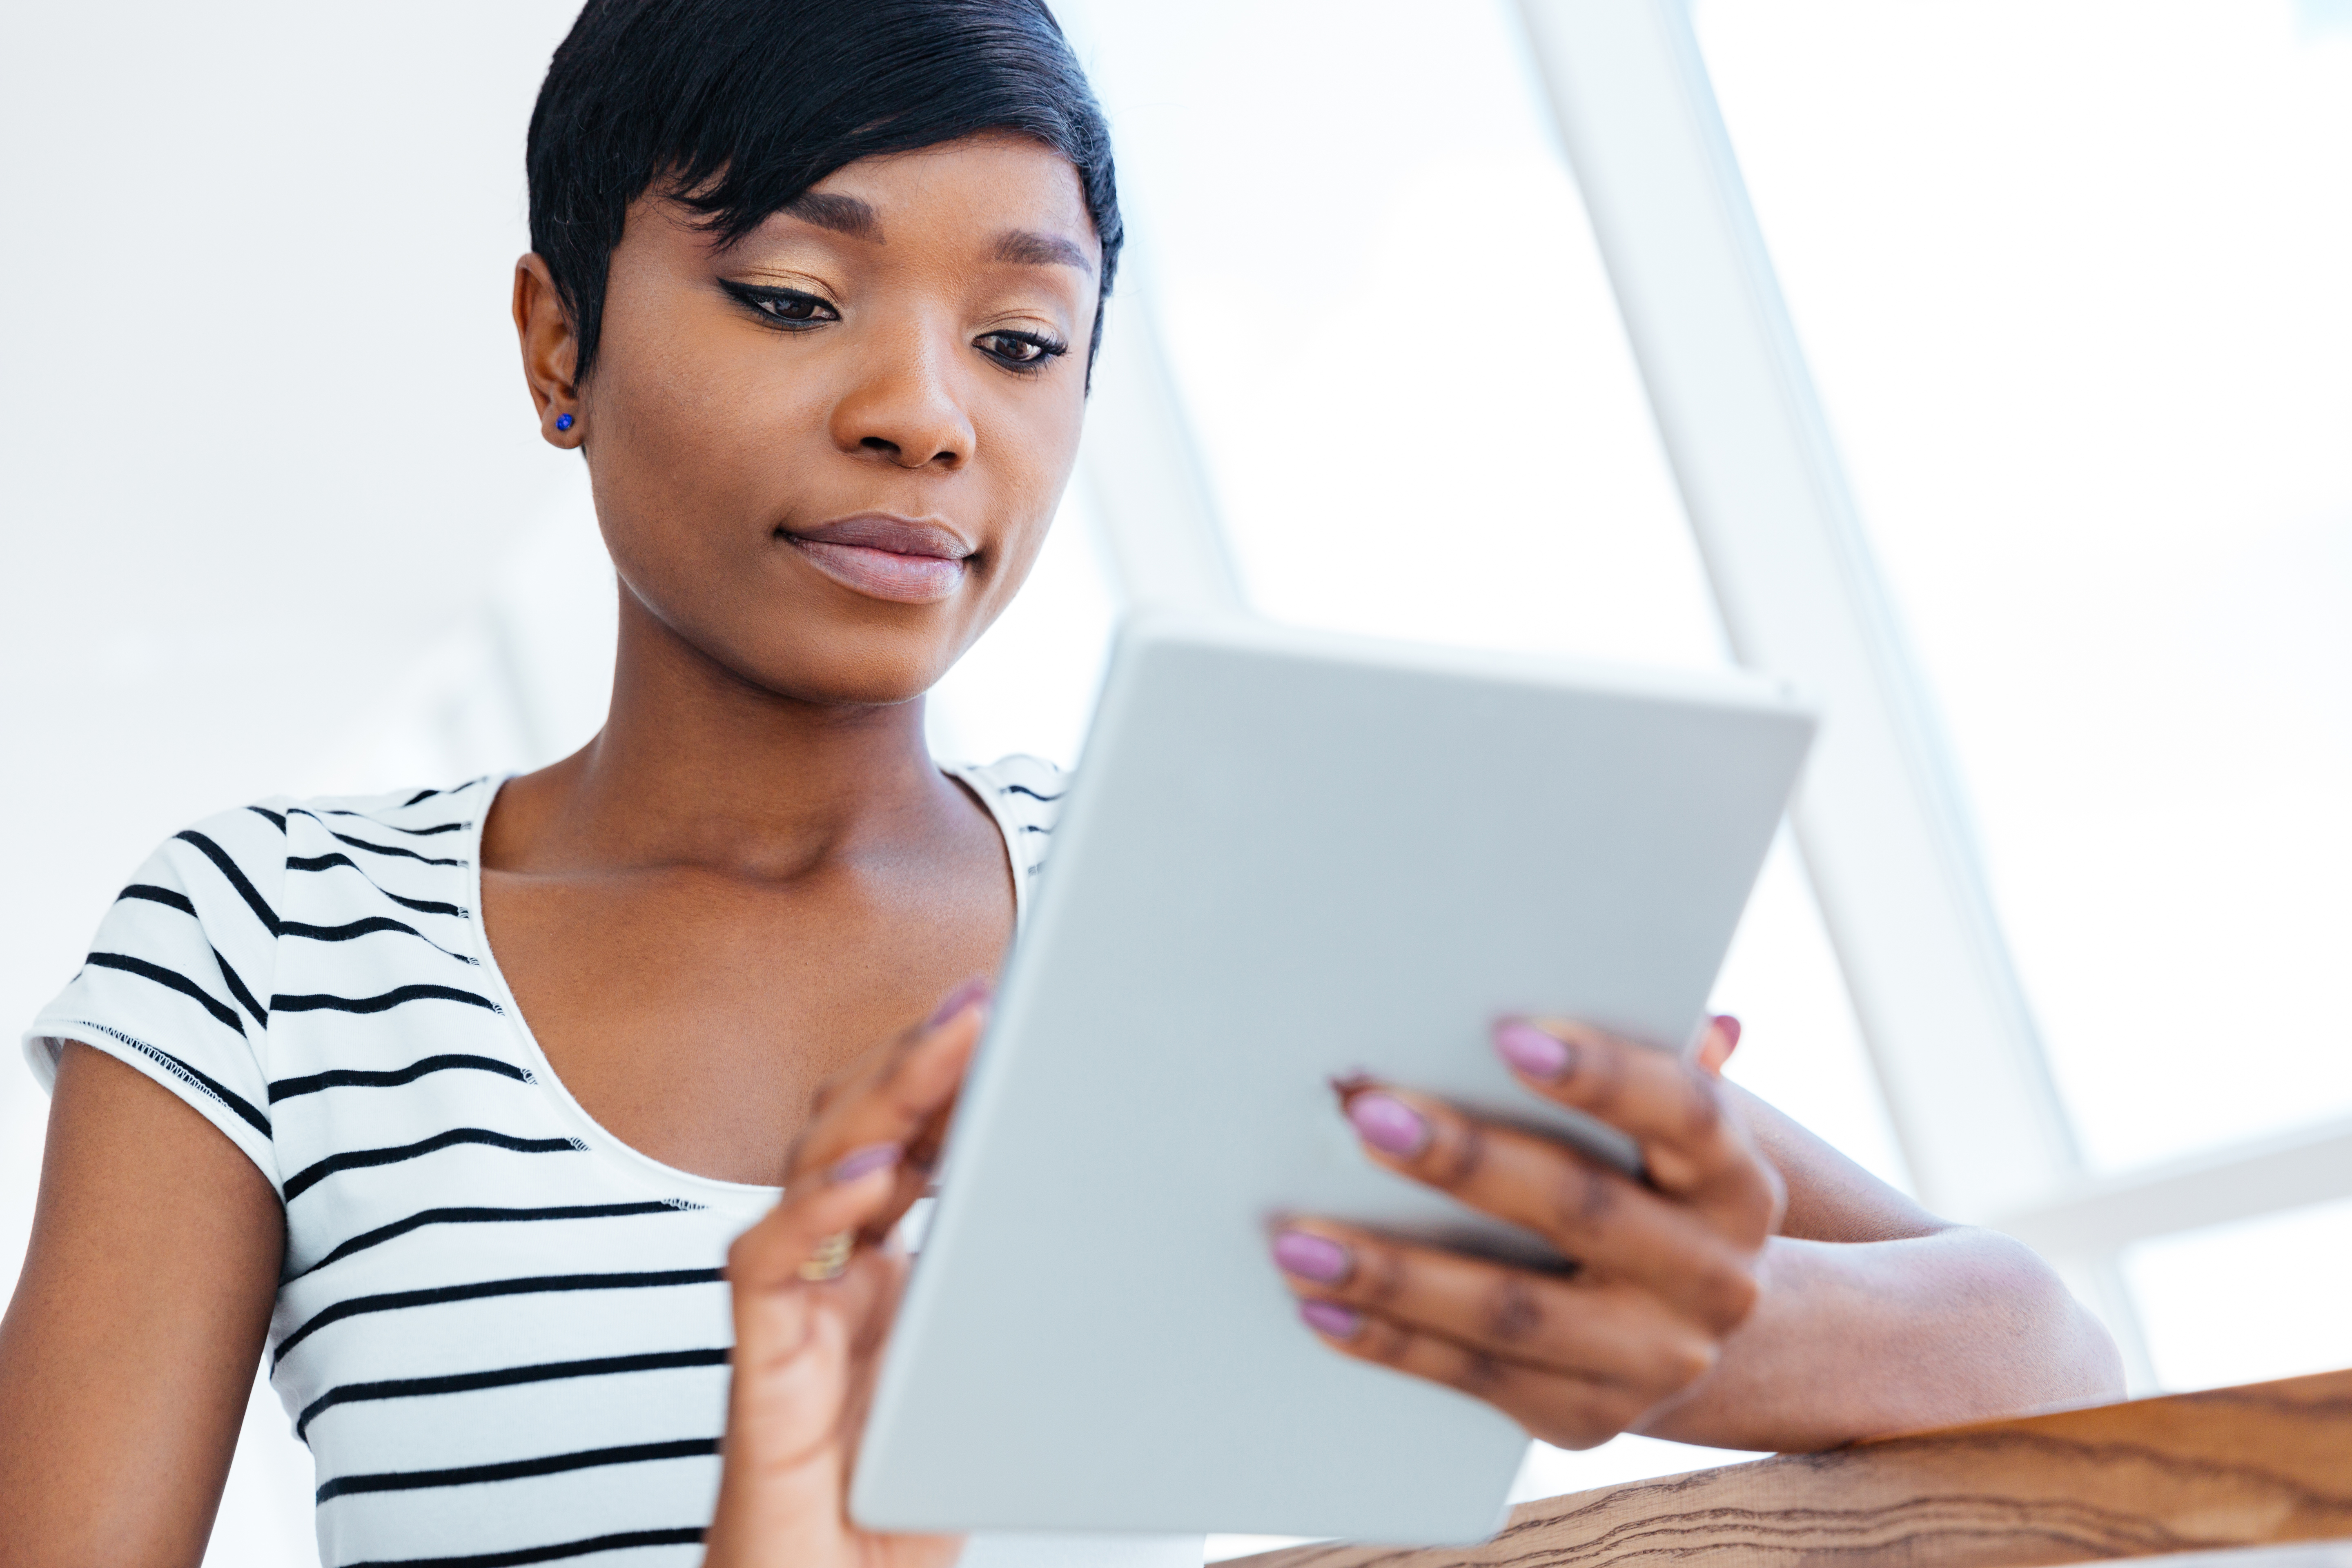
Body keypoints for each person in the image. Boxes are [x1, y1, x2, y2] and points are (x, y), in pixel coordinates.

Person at [0, 1, 2125, 1564]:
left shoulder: (1208, 888)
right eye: (796, 296)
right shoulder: (267, 941)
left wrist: (1685, 1338)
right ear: (560, 344)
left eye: (1022, 342)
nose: (926, 416)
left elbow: (2043, 1344)